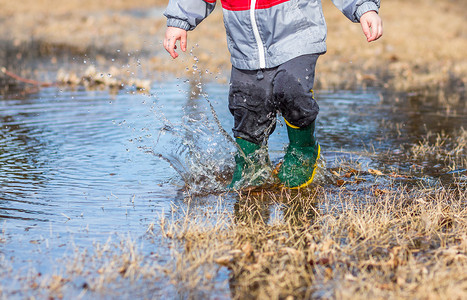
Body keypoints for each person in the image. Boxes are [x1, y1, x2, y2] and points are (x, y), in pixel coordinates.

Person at [163, 0, 383, 189]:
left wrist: (364, 7)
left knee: (291, 88)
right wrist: (179, 20)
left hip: (297, 35)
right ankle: (251, 163)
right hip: (246, 47)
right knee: (246, 107)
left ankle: (302, 148)